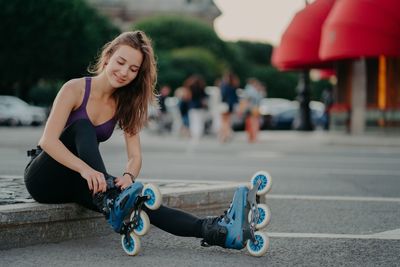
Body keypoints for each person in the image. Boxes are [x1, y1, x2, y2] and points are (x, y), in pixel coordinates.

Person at [23, 31, 228, 251]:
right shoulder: (75, 89)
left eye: (133, 69)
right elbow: (48, 141)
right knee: (82, 127)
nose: (124, 72)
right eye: (120, 62)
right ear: (108, 56)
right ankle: (110, 199)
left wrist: (129, 176)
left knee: (137, 199)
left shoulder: (124, 102)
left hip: (82, 182)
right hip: (44, 177)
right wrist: (86, 170)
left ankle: (213, 230)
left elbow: (135, 156)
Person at [219, 71, 239, 143]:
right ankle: (226, 134)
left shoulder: (224, 85)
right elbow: (236, 98)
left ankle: (225, 135)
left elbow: (223, 95)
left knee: (224, 121)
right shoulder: (234, 85)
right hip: (231, 105)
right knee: (227, 121)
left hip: (225, 105)